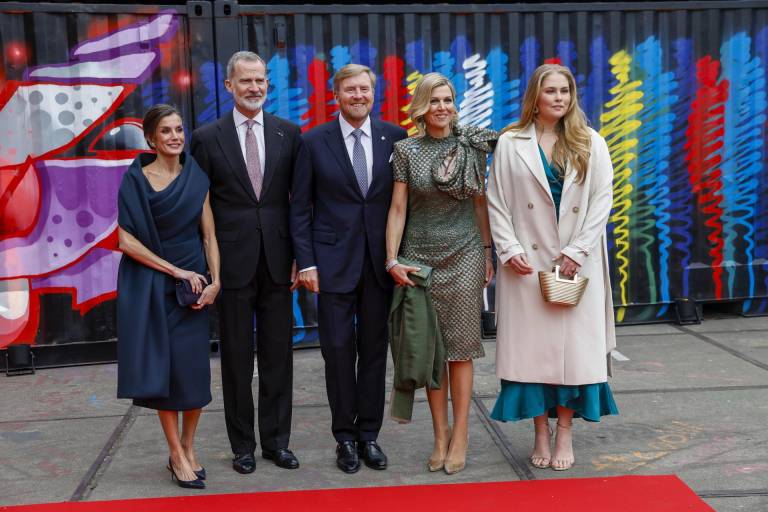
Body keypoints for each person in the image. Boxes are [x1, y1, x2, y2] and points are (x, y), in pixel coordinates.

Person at [486, 63, 619, 471]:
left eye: (565, 91)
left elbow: (602, 201)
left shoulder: (590, 141)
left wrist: (578, 250)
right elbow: (497, 200)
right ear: (535, 97)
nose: (559, 98)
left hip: (575, 266)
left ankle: (564, 433)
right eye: (551, 91)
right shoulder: (511, 142)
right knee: (533, 357)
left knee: (573, 356)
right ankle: (539, 431)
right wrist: (508, 249)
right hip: (526, 266)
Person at [290, 63, 407, 474]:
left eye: (365, 89)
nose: (358, 96)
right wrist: (306, 262)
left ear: (374, 94)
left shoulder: (395, 137)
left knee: (374, 352)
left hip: (379, 266)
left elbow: (401, 205)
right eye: (350, 90)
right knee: (337, 352)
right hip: (331, 264)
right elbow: (299, 207)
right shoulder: (313, 141)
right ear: (335, 95)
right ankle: (345, 438)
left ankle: (369, 435)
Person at [190, 51, 302, 474]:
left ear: (267, 85)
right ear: (229, 86)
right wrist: (207, 266)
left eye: (260, 80)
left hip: (278, 260)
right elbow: (198, 207)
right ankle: (243, 447)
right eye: (246, 80)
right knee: (237, 359)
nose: (254, 87)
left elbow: (299, 203)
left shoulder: (288, 134)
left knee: (278, 356)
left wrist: (301, 258)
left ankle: (277, 442)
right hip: (230, 265)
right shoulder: (207, 137)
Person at [385, 72, 496, 475]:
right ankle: (440, 435)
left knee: (461, 348)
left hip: (465, 252)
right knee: (430, 348)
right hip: (419, 258)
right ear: (420, 107)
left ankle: (462, 433)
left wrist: (487, 251)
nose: (442, 107)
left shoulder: (471, 147)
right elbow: (398, 209)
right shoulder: (405, 151)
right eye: (434, 101)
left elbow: (480, 203)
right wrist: (391, 259)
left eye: (448, 100)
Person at [117, 104, 220, 489]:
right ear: (151, 139)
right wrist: (176, 271)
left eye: (179, 129)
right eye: (166, 131)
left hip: (195, 287)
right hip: (154, 285)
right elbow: (126, 240)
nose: (175, 136)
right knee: (166, 372)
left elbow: (209, 233)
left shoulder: (196, 176)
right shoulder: (136, 180)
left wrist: (216, 281)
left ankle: (190, 447)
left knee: (193, 371)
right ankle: (175, 453)